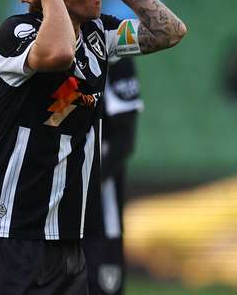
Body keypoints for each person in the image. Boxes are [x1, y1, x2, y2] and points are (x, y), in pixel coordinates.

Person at [0, 0, 187, 295]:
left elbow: (170, 31)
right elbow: (59, 53)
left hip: (69, 244)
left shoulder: (101, 36)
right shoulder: (16, 34)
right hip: (8, 238)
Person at [84, 56, 142, 295]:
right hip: (58, 199)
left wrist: (89, 180)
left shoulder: (115, 53)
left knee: (102, 281)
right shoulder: (54, 49)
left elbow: (124, 138)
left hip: (99, 190)